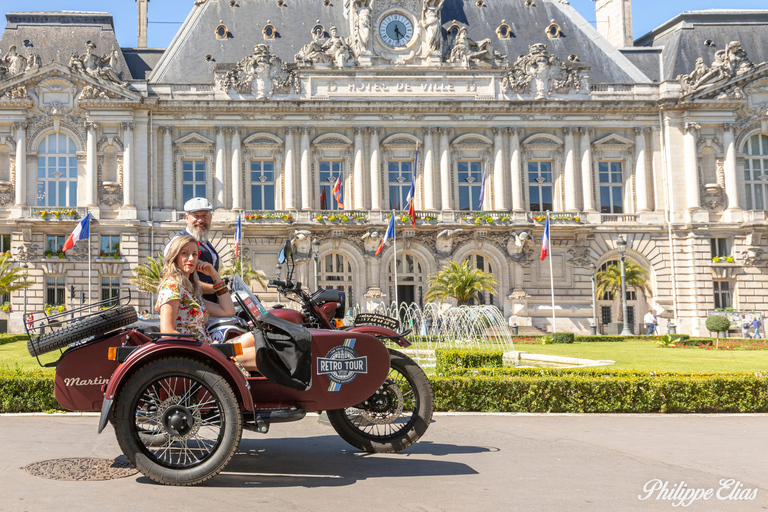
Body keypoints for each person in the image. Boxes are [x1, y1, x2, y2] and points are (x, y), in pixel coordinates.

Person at [157, 235, 258, 371]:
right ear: (175, 257)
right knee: (261, 355)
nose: (191, 259)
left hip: (207, 347)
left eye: (194, 254)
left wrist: (214, 275)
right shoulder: (172, 286)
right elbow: (167, 332)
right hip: (199, 353)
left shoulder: (190, 291)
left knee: (257, 337)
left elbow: (228, 311)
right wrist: (204, 346)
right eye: (185, 254)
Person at [165, 197, 220, 302]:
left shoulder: (207, 243)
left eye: (205, 216)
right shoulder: (178, 242)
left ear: (210, 218)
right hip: (191, 307)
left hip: (208, 306)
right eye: (196, 216)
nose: (200, 220)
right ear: (186, 218)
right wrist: (218, 289)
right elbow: (177, 279)